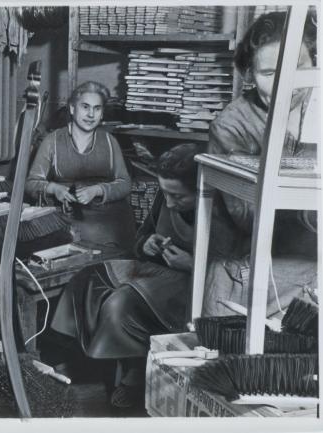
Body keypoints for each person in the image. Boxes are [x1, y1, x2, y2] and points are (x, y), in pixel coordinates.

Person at [50, 143, 247, 409]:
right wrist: (146, 244)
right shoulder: (164, 199)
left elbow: (236, 272)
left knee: (122, 301)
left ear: (202, 190)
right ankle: (80, 364)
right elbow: (142, 236)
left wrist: (193, 264)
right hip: (158, 271)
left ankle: (135, 376)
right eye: (165, 193)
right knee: (87, 278)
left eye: (178, 197)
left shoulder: (225, 211)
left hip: (198, 284)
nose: (169, 203)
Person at [205, 10, 318, 316]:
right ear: (250, 75)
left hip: (308, 271)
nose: (286, 85)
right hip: (246, 275)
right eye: (269, 74)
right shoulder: (231, 127)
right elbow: (247, 215)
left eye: (298, 69)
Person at [25, 81, 136, 251]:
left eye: (97, 108)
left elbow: (125, 183)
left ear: (102, 114)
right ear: (72, 108)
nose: (91, 114)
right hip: (66, 214)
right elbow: (31, 183)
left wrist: (97, 190)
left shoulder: (109, 141)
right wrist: (54, 189)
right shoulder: (52, 141)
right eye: (85, 107)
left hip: (107, 216)